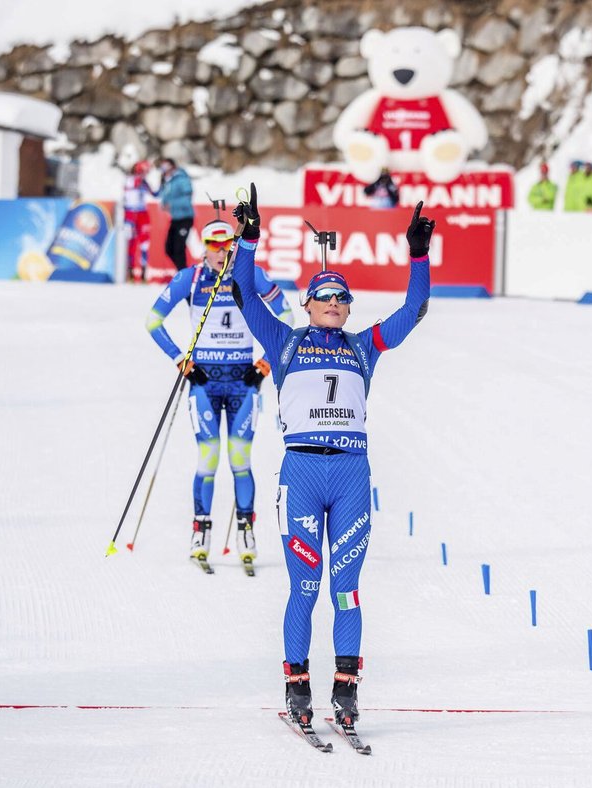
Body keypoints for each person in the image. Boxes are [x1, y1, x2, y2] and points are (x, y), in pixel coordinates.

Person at [230, 185, 433, 730]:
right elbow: (245, 298)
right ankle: (297, 683)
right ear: (308, 304)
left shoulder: (363, 346)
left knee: (345, 590)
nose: (337, 307)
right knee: (305, 587)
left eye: (343, 300)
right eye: (327, 299)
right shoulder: (285, 342)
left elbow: (414, 309)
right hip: (301, 474)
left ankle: (345, 687)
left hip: (349, 477)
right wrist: (248, 242)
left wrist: (418, 255)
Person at [145, 219, 294, 571]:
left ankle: (246, 532)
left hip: (244, 381)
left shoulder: (250, 274)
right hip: (204, 381)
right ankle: (201, 532)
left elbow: (287, 318)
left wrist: (265, 363)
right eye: (213, 244)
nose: (221, 251)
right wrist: (181, 360)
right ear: (204, 247)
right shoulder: (191, 279)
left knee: (240, 460)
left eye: (227, 243)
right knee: (208, 459)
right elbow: (153, 321)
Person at [158, 158, 195, 271]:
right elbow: (164, 197)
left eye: (165, 166)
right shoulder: (168, 181)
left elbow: (187, 198)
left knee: (179, 248)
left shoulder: (181, 178)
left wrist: (171, 205)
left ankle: (183, 274)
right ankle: (182, 271)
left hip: (185, 218)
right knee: (169, 248)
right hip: (175, 219)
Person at [123, 160, 155, 282]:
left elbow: (154, 194)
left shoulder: (143, 181)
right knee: (130, 243)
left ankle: (143, 273)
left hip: (142, 213)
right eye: (144, 171)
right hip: (130, 213)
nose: (145, 174)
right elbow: (131, 186)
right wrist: (139, 177)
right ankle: (129, 272)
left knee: (144, 243)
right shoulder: (130, 179)